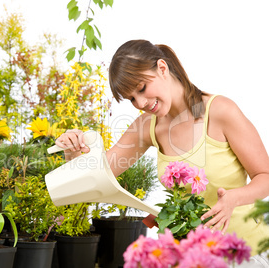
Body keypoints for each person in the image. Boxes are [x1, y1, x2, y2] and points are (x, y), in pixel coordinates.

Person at [55, 40, 269, 259]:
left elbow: (266, 176)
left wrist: (234, 198)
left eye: (141, 88)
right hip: (192, 258)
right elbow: (96, 176)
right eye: (131, 99)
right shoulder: (147, 126)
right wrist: (73, 150)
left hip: (245, 253)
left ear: (162, 68)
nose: (140, 103)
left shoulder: (220, 111)